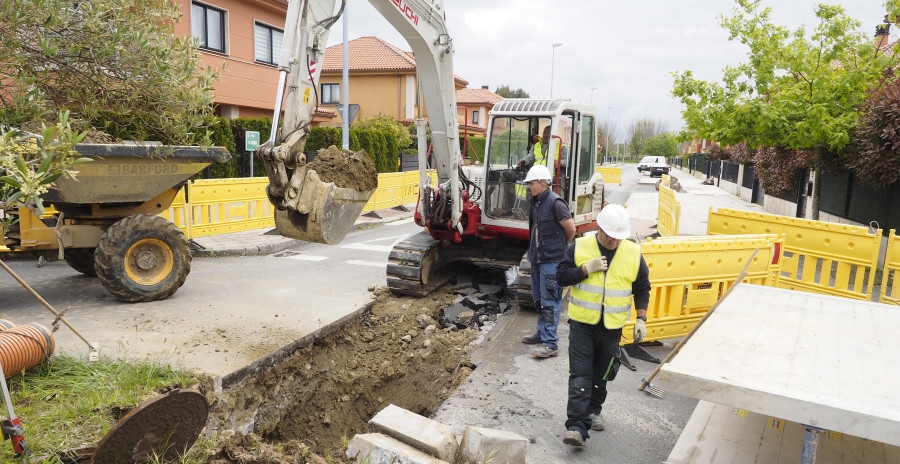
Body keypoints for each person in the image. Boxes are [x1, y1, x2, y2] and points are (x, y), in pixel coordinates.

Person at [556, 204, 651, 447]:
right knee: (580, 373)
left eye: (619, 237)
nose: (614, 241)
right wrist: (585, 269)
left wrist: (641, 318)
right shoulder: (580, 246)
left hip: (611, 327)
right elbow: (561, 276)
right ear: (599, 228)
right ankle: (576, 426)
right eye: (610, 235)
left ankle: (593, 410)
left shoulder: (632, 252)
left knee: (603, 373)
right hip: (582, 324)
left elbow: (642, 287)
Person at [520, 164, 576, 358]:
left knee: (550, 301)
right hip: (537, 259)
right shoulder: (536, 203)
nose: (529, 186)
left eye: (532, 183)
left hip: (552, 262)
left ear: (543, 184)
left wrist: (562, 250)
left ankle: (551, 343)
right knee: (539, 300)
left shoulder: (555, 203)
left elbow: (571, 230)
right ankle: (541, 333)